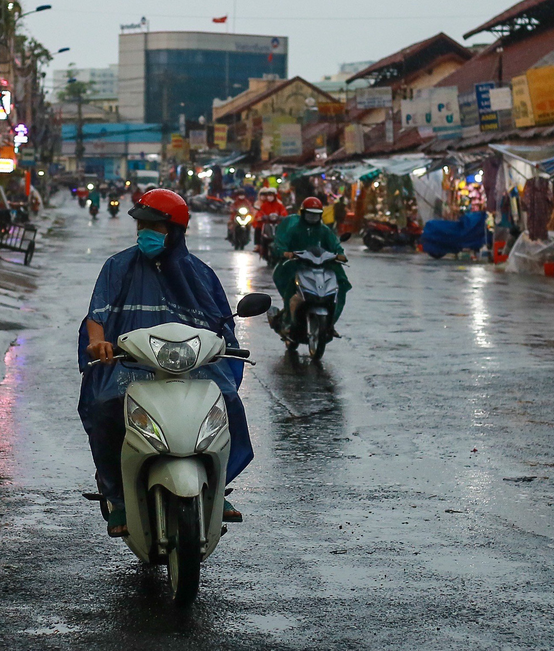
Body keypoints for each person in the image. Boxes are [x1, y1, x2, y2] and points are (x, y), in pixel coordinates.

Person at [78, 189, 253, 537]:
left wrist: (224, 347)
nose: (145, 232)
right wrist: (97, 341)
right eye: (141, 225)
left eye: (154, 226)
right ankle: (118, 497)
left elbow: (222, 326)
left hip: (193, 366)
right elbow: (96, 315)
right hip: (130, 366)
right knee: (105, 407)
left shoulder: (201, 275)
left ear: (174, 230)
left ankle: (218, 488)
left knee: (229, 405)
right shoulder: (118, 267)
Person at [272, 197, 351, 332]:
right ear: (303, 213)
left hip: (321, 265)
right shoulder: (294, 229)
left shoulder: (324, 230)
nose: (312, 218)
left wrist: (340, 254)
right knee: (290, 288)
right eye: (310, 214)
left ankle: (330, 323)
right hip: (297, 264)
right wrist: (286, 253)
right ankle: (287, 321)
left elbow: (335, 245)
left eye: (315, 215)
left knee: (342, 284)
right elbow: (280, 245)